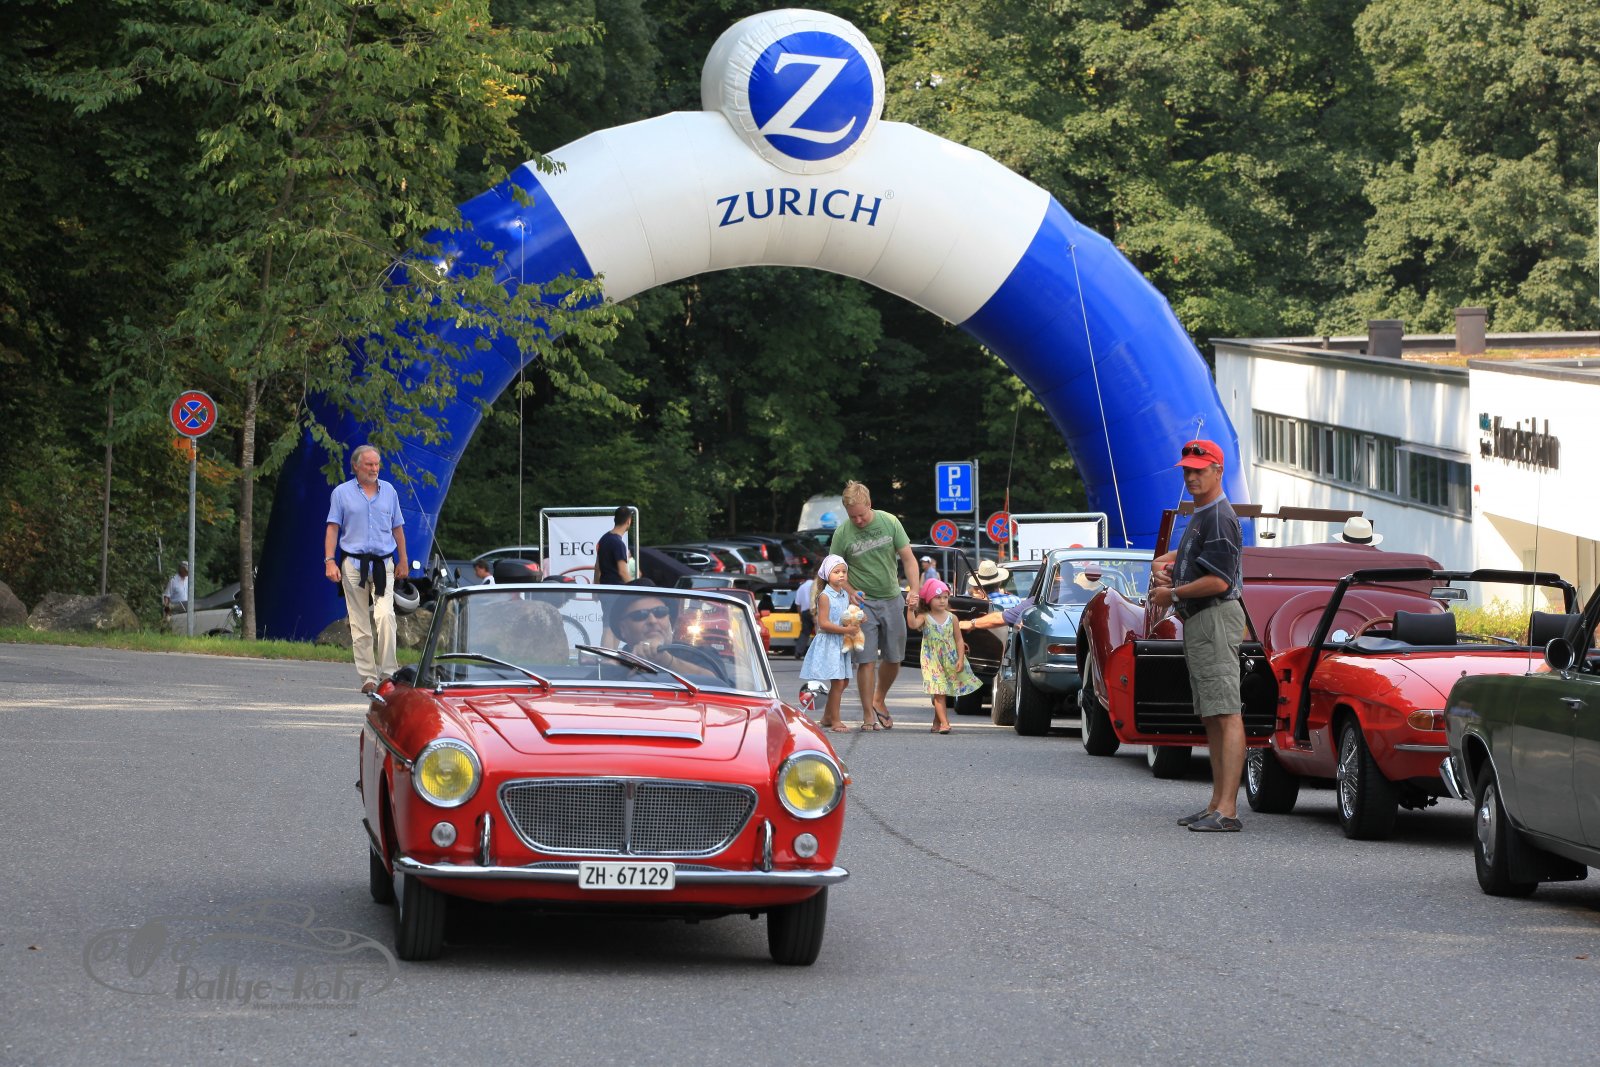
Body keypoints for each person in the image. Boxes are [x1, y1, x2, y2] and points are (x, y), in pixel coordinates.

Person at [1147, 439, 1246, 833]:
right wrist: (1168, 562)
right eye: (1187, 470)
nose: (1191, 476)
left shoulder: (1219, 516)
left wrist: (1172, 593)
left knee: (1226, 713)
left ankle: (1228, 810)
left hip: (1214, 617)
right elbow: (1198, 558)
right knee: (1213, 714)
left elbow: (1219, 581)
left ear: (1218, 471)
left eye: (1199, 470)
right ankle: (1215, 804)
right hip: (1203, 620)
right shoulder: (1204, 513)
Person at [829, 480, 920, 730]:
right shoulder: (842, 533)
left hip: (891, 597)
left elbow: (909, 559)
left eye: (861, 515)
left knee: (894, 657)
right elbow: (832, 570)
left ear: (869, 504)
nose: (857, 521)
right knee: (866, 660)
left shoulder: (890, 522)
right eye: (852, 516)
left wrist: (915, 590)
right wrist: (849, 591)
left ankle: (879, 698)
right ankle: (868, 714)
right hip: (862, 603)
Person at [324, 444, 409, 695]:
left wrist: (403, 559)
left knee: (385, 616)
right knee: (359, 622)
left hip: (384, 563)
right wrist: (329, 560)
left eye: (377, 464)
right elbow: (332, 528)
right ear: (356, 466)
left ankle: (388, 673)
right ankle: (368, 678)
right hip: (353, 564)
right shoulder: (341, 493)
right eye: (369, 464)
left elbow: (397, 528)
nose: (374, 468)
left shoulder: (389, 491)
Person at [907, 577, 980, 734]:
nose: (942, 601)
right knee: (939, 691)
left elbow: (959, 640)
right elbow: (912, 624)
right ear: (929, 600)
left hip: (949, 658)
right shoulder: (924, 616)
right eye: (938, 597)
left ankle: (937, 722)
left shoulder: (952, 618)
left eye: (945, 597)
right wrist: (910, 609)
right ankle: (945, 723)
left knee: (942, 691)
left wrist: (960, 658)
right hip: (932, 660)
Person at [798, 555, 860, 732]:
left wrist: (857, 618)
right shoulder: (825, 596)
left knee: (844, 681)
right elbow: (823, 623)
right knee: (838, 682)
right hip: (830, 642)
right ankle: (835, 721)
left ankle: (826, 717)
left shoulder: (844, 594)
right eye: (836, 572)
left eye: (844, 571)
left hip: (841, 642)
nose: (841, 575)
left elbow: (846, 615)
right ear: (827, 575)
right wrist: (846, 630)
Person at [595, 506, 634, 585]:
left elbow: (597, 567)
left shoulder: (603, 539)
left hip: (604, 588)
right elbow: (623, 572)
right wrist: (635, 588)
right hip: (617, 589)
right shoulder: (619, 544)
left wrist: (597, 588)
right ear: (629, 521)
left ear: (614, 520)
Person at [793, 573, 816, 658]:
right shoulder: (816, 585)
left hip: (805, 612)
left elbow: (798, 604)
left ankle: (798, 652)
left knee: (804, 633)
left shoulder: (801, 587)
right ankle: (816, 653)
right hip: (815, 611)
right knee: (819, 633)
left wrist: (801, 615)